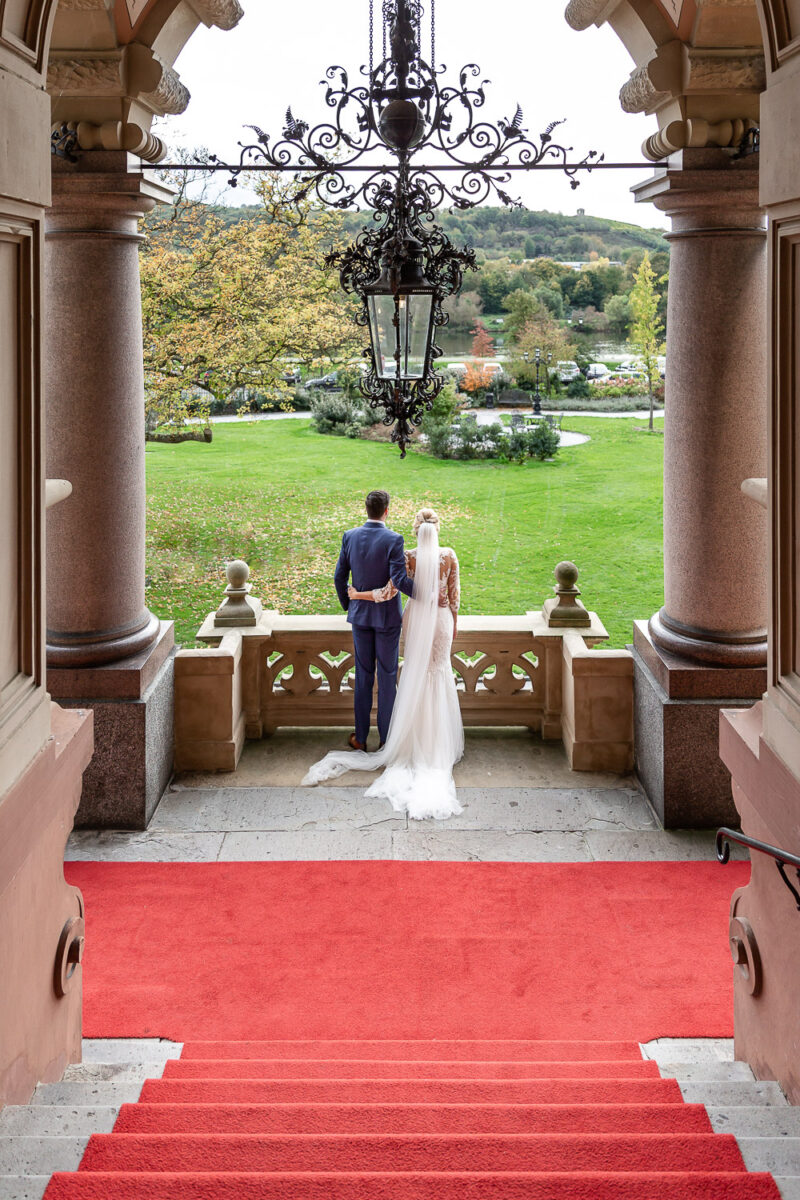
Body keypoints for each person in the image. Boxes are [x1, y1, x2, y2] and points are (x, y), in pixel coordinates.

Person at [302, 507, 464, 820]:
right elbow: (454, 598)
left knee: (400, 675)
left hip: (408, 620)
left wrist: (353, 599)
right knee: (420, 675)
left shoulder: (404, 554)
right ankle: (419, 741)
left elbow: (389, 587)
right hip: (438, 621)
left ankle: (372, 739)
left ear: (416, 529)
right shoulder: (448, 555)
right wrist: (448, 617)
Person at [332, 489, 415, 752]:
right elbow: (400, 581)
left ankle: (360, 738)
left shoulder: (350, 536)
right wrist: (428, 596)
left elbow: (339, 577)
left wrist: (351, 605)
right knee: (388, 675)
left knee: (363, 675)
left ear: (366, 509)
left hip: (360, 618)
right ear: (387, 511)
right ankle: (386, 740)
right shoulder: (394, 539)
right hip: (387, 619)